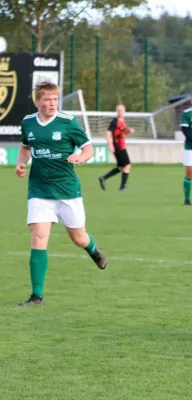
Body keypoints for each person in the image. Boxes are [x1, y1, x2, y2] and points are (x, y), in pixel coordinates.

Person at [16, 81, 108, 306]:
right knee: (38, 237)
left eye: (55, 99)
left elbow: (88, 148)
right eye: (47, 99)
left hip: (67, 190)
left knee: (79, 238)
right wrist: (21, 164)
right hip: (39, 190)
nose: (52, 103)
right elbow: (26, 147)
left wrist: (81, 157)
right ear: (37, 101)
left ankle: (93, 250)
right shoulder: (28, 123)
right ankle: (37, 296)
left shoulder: (68, 122)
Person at [98, 104, 134, 192]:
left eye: (122, 110)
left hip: (121, 146)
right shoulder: (115, 121)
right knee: (127, 166)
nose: (120, 112)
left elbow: (121, 133)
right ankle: (122, 187)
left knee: (122, 167)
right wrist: (110, 145)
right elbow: (108, 132)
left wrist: (129, 131)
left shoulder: (122, 121)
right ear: (116, 111)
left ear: (124, 111)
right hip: (118, 146)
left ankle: (104, 177)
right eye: (119, 110)